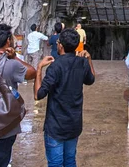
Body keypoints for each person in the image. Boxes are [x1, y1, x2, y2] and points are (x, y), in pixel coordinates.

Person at [34, 28, 95, 167]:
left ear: (60, 45)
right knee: (70, 161)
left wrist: (39, 68)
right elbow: (91, 80)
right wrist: (89, 59)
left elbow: (38, 94)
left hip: (56, 126)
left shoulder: (55, 67)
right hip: (74, 124)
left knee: (56, 163)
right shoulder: (82, 63)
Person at [0, 23, 36, 167]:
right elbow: (32, 72)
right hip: (3, 130)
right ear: (7, 42)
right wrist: (15, 57)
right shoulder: (12, 65)